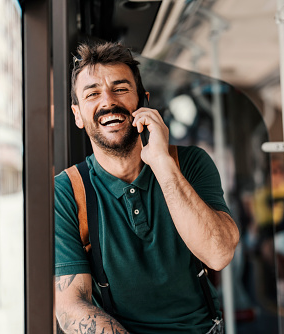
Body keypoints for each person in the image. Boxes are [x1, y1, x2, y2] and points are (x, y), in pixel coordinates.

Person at [54, 41, 239, 334]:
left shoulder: (189, 163)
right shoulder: (66, 192)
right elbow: (71, 306)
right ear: (77, 114)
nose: (108, 101)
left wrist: (162, 163)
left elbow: (218, 254)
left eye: (121, 88)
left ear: (144, 102)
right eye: (92, 94)